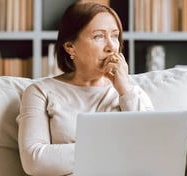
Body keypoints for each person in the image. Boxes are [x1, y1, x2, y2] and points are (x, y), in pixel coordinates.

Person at [16, 1, 154, 176]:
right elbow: (34, 161)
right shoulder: (40, 92)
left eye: (115, 36)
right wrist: (120, 149)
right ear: (70, 47)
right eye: (99, 36)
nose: (111, 46)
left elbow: (151, 151)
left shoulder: (131, 92)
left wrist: (125, 91)